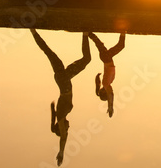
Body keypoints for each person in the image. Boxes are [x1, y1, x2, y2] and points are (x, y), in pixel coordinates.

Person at [30, 29, 91, 166]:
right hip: (63, 78)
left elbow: (63, 138)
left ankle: (85, 33)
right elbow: (64, 135)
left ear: (61, 127)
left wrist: (61, 153)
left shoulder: (61, 118)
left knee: (85, 59)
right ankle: (33, 31)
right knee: (50, 53)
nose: (69, 127)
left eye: (66, 128)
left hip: (64, 82)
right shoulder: (60, 116)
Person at [89, 31, 125, 117]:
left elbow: (110, 94)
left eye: (108, 93)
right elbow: (99, 84)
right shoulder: (108, 82)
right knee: (99, 44)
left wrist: (110, 107)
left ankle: (123, 29)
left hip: (106, 58)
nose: (112, 91)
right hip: (106, 58)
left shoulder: (106, 84)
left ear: (105, 92)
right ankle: (89, 33)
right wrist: (97, 77)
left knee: (120, 46)